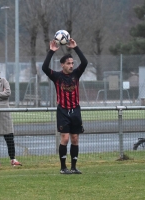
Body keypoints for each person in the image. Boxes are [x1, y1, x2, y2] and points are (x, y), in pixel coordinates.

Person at [42, 38, 88, 174]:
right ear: (62, 65)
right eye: (68, 63)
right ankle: (63, 167)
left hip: (75, 111)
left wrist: (75, 47)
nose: (71, 66)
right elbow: (44, 68)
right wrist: (51, 51)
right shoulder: (57, 76)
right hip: (63, 111)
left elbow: (84, 62)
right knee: (65, 138)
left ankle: (73, 167)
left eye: (72, 63)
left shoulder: (76, 74)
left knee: (75, 138)